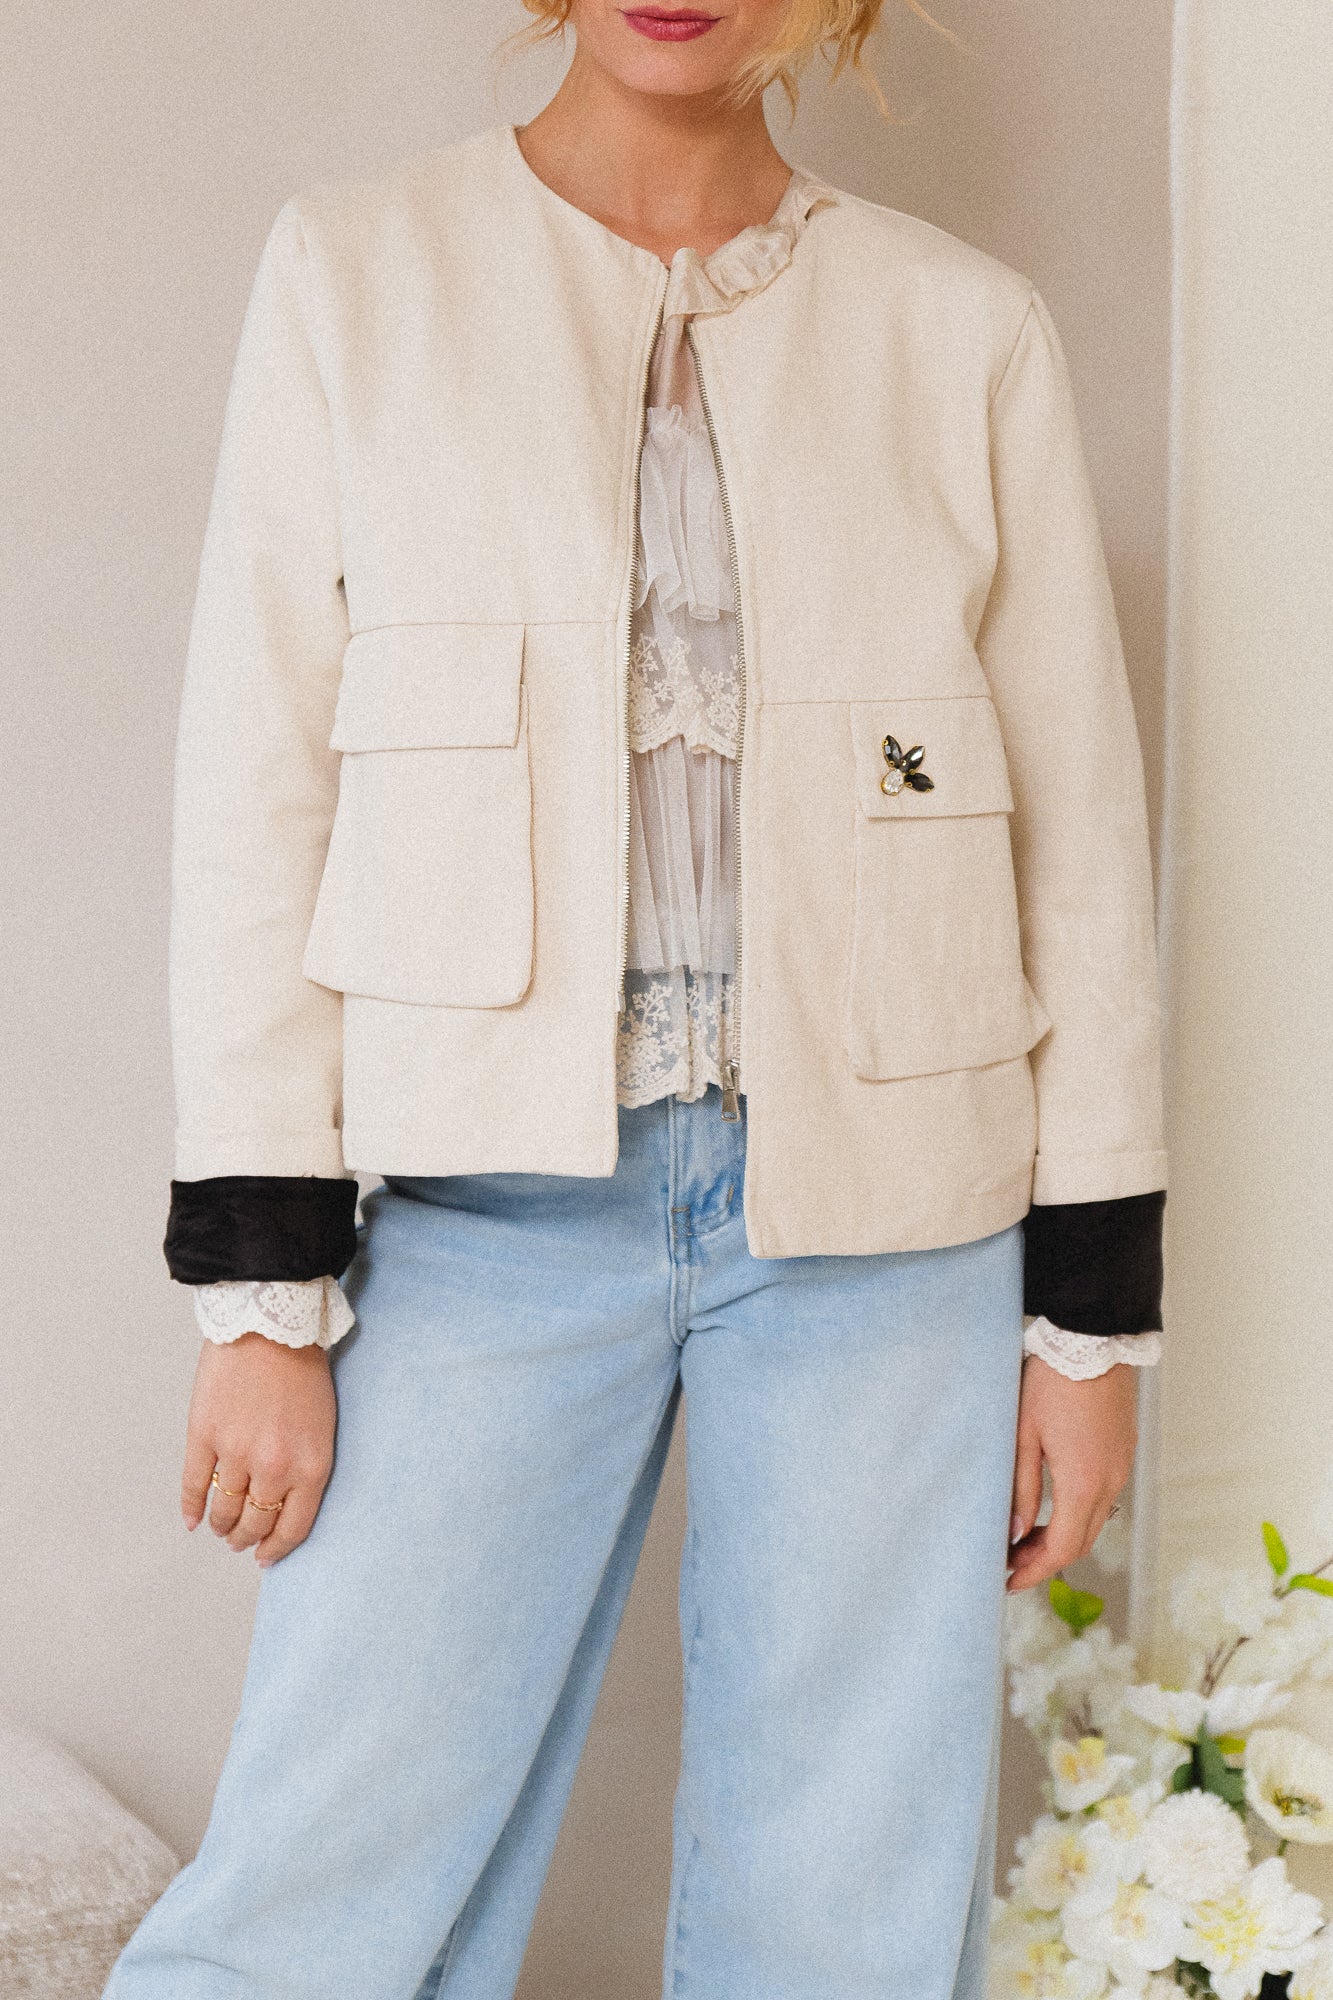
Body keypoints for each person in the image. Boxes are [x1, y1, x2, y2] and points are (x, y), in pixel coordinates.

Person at [105, 1, 1167, 1994]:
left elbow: (1081, 847)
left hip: (889, 1226)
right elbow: (258, 786)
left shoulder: (963, 331)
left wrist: (1088, 1327)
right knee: (323, 1885)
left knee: (845, 1915)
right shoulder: (359, 271)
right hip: (483, 1205)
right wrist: (261, 1286)